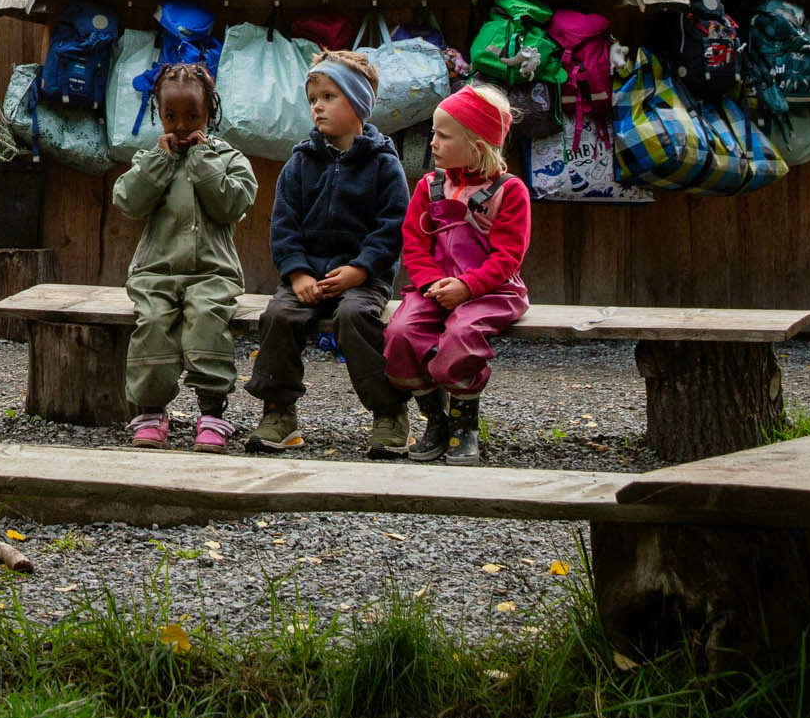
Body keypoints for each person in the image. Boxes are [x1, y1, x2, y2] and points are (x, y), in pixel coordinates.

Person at [242, 47, 411, 458]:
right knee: (279, 316)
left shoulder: (384, 165)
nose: (317, 107)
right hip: (307, 275)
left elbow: (393, 228)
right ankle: (279, 412)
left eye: (329, 97)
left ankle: (389, 413)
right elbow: (283, 226)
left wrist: (361, 269)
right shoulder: (301, 163)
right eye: (313, 99)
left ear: (358, 104)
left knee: (356, 317)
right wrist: (297, 273)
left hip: (362, 279)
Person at [384, 81, 533, 466]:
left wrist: (467, 287)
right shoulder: (429, 187)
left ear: (477, 144)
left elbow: (508, 256)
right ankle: (435, 419)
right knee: (400, 335)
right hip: (433, 287)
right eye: (434, 133)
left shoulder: (508, 192)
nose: (432, 142)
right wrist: (433, 283)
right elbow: (414, 244)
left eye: (443, 135)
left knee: (462, 337)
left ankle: (464, 423)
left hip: (490, 290)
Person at [112, 62, 258, 450]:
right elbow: (128, 202)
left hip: (213, 273)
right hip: (155, 272)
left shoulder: (229, 159)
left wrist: (203, 161)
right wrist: (158, 165)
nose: (180, 125)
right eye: (170, 116)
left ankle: (212, 413)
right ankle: (150, 410)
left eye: (191, 116)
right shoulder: (150, 159)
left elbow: (231, 204)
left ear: (209, 112)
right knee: (154, 324)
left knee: (207, 321)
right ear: (159, 114)